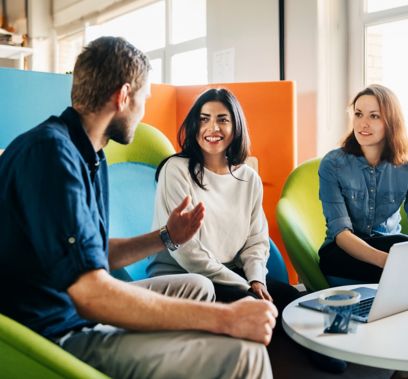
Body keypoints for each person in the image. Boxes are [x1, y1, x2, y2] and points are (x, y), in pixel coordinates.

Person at [0, 37, 277, 379]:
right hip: (56, 331)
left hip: (74, 304)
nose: (144, 110)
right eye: (144, 99)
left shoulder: (89, 155)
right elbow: (90, 295)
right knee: (245, 355)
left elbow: (94, 255)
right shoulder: (52, 157)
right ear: (123, 96)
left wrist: (165, 236)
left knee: (198, 287)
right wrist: (227, 318)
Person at [146, 88, 347, 373]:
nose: (212, 128)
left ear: (236, 126)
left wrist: (257, 281)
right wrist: (244, 287)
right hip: (184, 276)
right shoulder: (176, 170)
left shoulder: (247, 178)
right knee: (260, 311)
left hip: (231, 274)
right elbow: (187, 250)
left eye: (222, 120)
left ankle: (332, 362)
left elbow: (256, 240)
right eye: (203, 119)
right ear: (194, 126)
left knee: (293, 301)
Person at [318, 84, 408, 283]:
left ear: (391, 121)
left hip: (390, 244)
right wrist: (389, 263)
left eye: (374, 116)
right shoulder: (332, 164)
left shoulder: (406, 166)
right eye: (358, 114)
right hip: (343, 251)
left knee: (401, 244)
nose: (363, 124)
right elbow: (341, 234)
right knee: (332, 257)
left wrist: (397, 259)